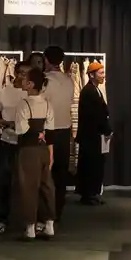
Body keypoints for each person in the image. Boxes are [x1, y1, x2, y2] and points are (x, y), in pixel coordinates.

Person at [0, 61, 31, 236]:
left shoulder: (32, 93)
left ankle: (28, 221)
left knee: (27, 183)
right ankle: (0, 219)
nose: (24, 76)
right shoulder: (4, 92)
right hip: (7, 141)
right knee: (4, 181)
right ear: (16, 73)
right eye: (22, 73)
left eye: (27, 73)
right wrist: (6, 123)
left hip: (27, 143)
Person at [13, 68, 56, 240]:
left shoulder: (24, 104)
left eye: (25, 78)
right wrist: (50, 153)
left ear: (30, 84)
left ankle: (30, 227)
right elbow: (50, 132)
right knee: (47, 187)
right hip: (44, 150)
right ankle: (49, 225)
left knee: (28, 187)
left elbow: (21, 130)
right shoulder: (47, 104)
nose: (21, 80)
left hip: (28, 150)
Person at [42, 47, 75, 220]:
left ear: (46, 59)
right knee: (61, 172)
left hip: (48, 129)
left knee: (45, 171)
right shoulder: (69, 80)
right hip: (64, 129)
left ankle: (46, 212)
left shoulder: (44, 80)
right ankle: (57, 210)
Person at [76, 62, 110, 206]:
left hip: (95, 135)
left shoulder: (95, 90)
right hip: (90, 135)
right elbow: (94, 115)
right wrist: (105, 128)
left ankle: (92, 193)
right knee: (89, 165)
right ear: (91, 75)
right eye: (100, 73)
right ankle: (88, 194)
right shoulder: (88, 91)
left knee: (95, 164)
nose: (103, 76)